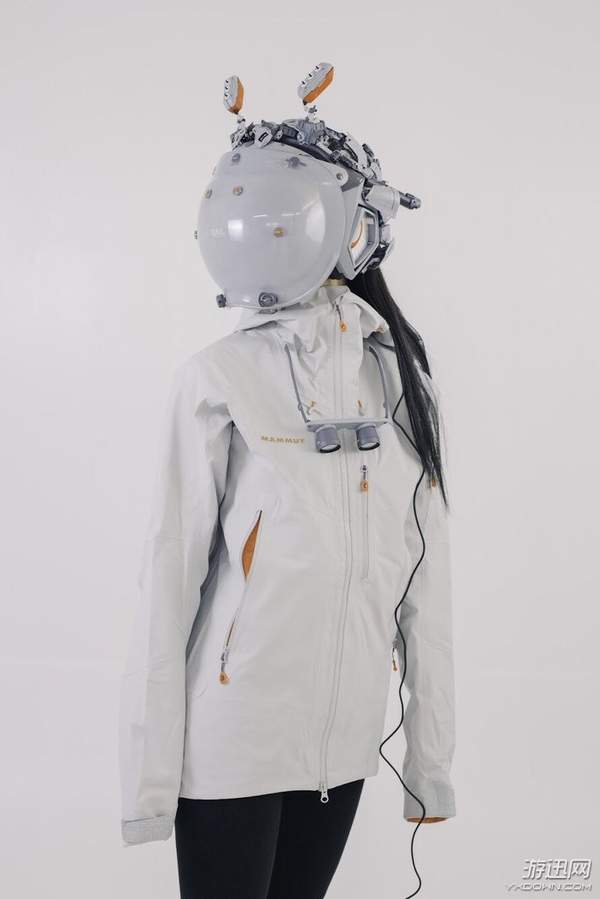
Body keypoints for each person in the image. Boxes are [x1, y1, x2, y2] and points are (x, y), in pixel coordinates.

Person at [118, 63, 457, 899]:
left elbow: (426, 584)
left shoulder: (400, 382)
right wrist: (150, 782)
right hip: (233, 747)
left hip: (343, 750)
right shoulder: (218, 378)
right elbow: (168, 582)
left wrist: (429, 762)